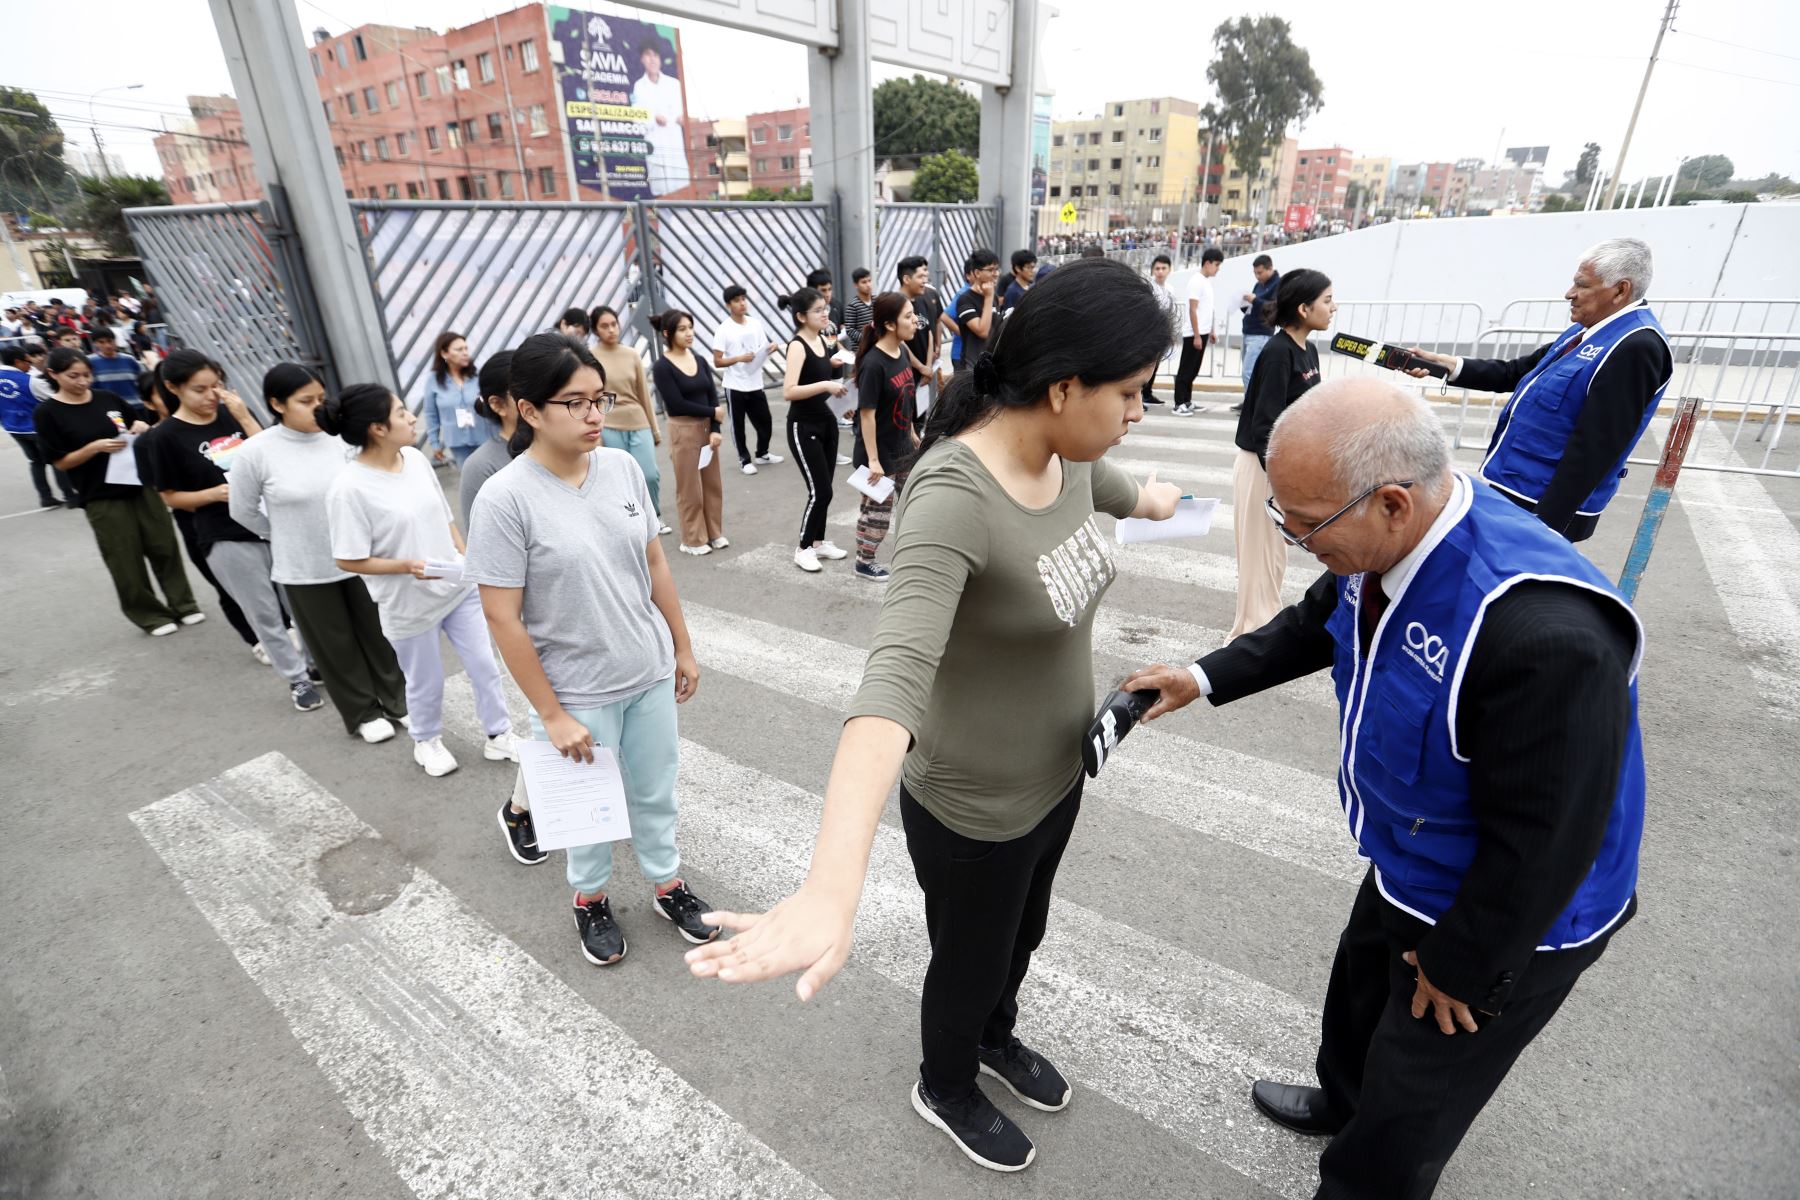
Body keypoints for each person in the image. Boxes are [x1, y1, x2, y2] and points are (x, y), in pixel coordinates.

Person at [684, 258, 1183, 1174]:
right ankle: (945, 1081)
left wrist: (1195, 502)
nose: (1138, 412)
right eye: (1130, 394)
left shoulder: (1070, 459)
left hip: (1059, 777)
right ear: (1064, 387)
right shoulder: (954, 497)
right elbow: (891, 684)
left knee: (1020, 940)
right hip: (974, 807)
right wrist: (834, 883)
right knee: (968, 960)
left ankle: (995, 1039)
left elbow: (1135, 497)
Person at [1120, 380, 1646, 1200]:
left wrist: (1464, 966)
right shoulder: (1386, 546)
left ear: (1393, 502)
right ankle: (1342, 1096)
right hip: (1413, 850)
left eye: (1306, 524)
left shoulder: (1542, 635)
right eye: (1282, 517)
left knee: (1413, 1101)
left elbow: (1549, 842)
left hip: (1504, 909)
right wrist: (1200, 676)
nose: (1295, 539)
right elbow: (1316, 623)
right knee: (1363, 992)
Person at [467, 332, 716, 963]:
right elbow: (502, 617)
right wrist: (550, 714)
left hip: (648, 669)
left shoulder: (623, 467)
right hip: (576, 691)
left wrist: (681, 647)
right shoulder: (505, 498)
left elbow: (654, 559)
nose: (595, 415)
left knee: (655, 790)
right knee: (587, 814)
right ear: (528, 411)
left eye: (599, 399)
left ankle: (668, 883)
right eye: (574, 403)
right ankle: (591, 900)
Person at [1405, 238, 1673, 543]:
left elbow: (1595, 450)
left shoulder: (1635, 346)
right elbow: (1515, 373)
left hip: (1539, 507)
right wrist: (1444, 364)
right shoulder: (1587, 329)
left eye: (1581, 285)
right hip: (1513, 488)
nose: (1569, 294)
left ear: (1620, 290)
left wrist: (1545, 530)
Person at [322, 383, 519, 776]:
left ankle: (499, 734)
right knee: (425, 682)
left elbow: (444, 516)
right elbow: (348, 558)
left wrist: (468, 558)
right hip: (408, 602)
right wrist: (406, 566)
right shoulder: (348, 489)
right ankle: (426, 740)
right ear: (378, 428)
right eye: (400, 413)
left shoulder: (414, 458)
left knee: (484, 664)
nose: (411, 417)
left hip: (456, 585)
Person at [135, 349, 326, 711]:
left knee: (299, 602)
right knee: (264, 612)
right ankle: (297, 679)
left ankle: (316, 664)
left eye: (216, 386)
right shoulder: (165, 437)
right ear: (173, 388)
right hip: (223, 532)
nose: (211, 396)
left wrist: (243, 415)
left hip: (274, 524)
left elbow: (274, 453)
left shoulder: (229, 413)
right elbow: (170, 497)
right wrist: (215, 493)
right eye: (200, 389)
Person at [230, 363, 407, 738]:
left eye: (321, 399)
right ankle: (362, 713)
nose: (317, 407)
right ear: (277, 404)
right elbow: (242, 510)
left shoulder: (344, 441)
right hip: (303, 568)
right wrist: (282, 536)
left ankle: (398, 701)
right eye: (305, 401)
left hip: (363, 559)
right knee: (334, 646)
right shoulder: (257, 452)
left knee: (380, 635)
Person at [32, 346, 201, 636]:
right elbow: (60, 462)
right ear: (53, 374)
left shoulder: (107, 399)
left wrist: (138, 425)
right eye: (74, 376)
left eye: (87, 374)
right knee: (124, 557)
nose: (83, 381)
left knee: (164, 546)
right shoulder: (48, 413)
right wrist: (93, 448)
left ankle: (184, 604)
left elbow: (135, 423)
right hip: (100, 494)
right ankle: (150, 615)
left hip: (140, 482)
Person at [1231, 269, 1332, 639]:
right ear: (1304, 308)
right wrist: (1282, 480)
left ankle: (1263, 626)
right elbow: (1264, 426)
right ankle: (1250, 634)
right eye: (1327, 300)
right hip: (1263, 466)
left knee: (1275, 555)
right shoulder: (1277, 353)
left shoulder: (1309, 350)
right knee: (1258, 554)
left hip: (1283, 465)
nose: (1334, 307)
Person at [779, 286, 850, 574]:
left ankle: (819, 542)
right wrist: (826, 384)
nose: (825, 314)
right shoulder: (797, 345)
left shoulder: (824, 340)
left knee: (827, 489)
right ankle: (804, 547)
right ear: (801, 316)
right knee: (819, 491)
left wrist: (840, 390)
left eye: (826, 308)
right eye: (818, 310)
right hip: (803, 425)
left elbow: (827, 378)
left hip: (827, 421)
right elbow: (789, 391)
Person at [851, 292, 920, 583]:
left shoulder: (901, 351)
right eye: (908, 316)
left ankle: (911, 556)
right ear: (890, 324)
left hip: (904, 447)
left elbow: (905, 400)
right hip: (878, 456)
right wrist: (874, 460)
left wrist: (913, 432)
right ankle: (864, 562)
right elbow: (866, 415)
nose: (915, 320)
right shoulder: (873, 364)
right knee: (877, 515)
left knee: (914, 503)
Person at [651, 309, 728, 556]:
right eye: (682, 329)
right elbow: (675, 404)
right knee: (689, 488)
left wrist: (714, 428)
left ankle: (714, 532)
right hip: (682, 429)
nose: (689, 333)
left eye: (690, 327)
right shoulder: (662, 367)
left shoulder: (699, 359)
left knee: (712, 484)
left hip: (706, 429)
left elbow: (711, 395)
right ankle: (692, 539)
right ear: (668, 334)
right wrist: (713, 412)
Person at [710, 285, 784, 475]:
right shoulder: (723, 329)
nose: (742, 303)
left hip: (755, 383)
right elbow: (717, 361)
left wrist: (771, 348)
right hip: (735, 385)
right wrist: (738, 358)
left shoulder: (755, 324)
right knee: (738, 426)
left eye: (743, 299)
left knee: (765, 422)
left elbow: (761, 348)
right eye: (737, 300)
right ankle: (744, 460)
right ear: (728, 305)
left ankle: (762, 453)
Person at [1, 345, 71, 507]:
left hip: (13, 428)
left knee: (35, 462)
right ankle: (70, 495)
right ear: (17, 362)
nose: (30, 365)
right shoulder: (31, 381)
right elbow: (56, 399)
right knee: (57, 460)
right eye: (27, 362)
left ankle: (45, 497)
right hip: (36, 427)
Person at [458, 352, 520, 531]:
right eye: (524, 391)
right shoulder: (481, 467)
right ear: (497, 405)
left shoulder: (561, 448)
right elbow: (482, 543)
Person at [633, 37, 690, 196]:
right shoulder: (639, 87)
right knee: (661, 199)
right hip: (656, 148)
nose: (652, 60)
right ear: (642, 59)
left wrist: (680, 119)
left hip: (675, 148)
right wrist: (653, 119)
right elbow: (637, 119)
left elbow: (683, 114)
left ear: (660, 59)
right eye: (648, 55)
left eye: (655, 55)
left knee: (682, 194)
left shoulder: (673, 84)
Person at [1173, 247, 1226, 416]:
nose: (1218, 268)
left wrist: (1211, 331)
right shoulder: (1196, 281)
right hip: (1193, 333)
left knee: (1193, 369)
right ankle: (1178, 403)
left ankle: (1187, 401)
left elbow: (1207, 310)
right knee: (1186, 368)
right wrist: (1196, 335)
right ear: (1208, 263)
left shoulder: (1205, 281)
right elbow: (1192, 310)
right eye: (1217, 265)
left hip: (1202, 332)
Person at [420, 331, 484, 468]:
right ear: (444, 353)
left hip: (484, 438)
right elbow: (431, 414)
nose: (465, 352)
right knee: (471, 481)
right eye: (459, 349)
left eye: (466, 348)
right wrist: (435, 443)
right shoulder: (433, 380)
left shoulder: (478, 376)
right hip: (457, 443)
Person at [896, 256, 943, 420]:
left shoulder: (924, 299)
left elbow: (928, 332)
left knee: (920, 418)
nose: (925, 281)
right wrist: (920, 367)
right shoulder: (895, 304)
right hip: (904, 372)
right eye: (920, 277)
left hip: (924, 372)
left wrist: (928, 366)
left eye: (926, 277)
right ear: (907, 279)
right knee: (905, 418)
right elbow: (899, 341)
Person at [1237, 254, 1281, 413]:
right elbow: (1255, 306)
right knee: (1251, 372)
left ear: (1270, 269)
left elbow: (1273, 307)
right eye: (1255, 272)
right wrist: (1245, 304)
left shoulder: (1278, 284)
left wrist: (1255, 300)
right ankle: (1249, 400)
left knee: (1248, 372)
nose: (1257, 276)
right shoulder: (1259, 284)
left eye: (1260, 272)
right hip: (1249, 330)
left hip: (1261, 333)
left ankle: (1252, 407)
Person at [951, 250, 1001, 371]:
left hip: (991, 364)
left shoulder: (993, 296)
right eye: (990, 270)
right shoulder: (965, 299)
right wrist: (988, 298)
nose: (996, 274)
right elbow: (982, 331)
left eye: (997, 269)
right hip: (972, 367)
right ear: (977, 273)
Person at [1143, 253, 1178, 408]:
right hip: (1150, 333)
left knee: (1155, 366)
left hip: (1163, 333)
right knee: (1145, 366)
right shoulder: (1149, 289)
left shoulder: (1170, 289)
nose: (1160, 271)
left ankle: (1148, 393)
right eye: (1157, 268)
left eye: (1164, 268)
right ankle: (1141, 394)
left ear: (1169, 270)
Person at [87, 328, 143, 407]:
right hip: (109, 409)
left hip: (135, 406)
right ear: (95, 344)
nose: (107, 345)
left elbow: (141, 383)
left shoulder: (130, 360)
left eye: (110, 341)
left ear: (115, 340)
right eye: (101, 342)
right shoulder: (89, 362)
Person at [842, 267, 875, 353]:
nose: (868, 285)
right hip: (862, 351)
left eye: (869, 281)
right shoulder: (853, 306)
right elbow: (850, 330)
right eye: (864, 282)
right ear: (856, 285)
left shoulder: (877, 301)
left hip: (878, 349)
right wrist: (867, 339)